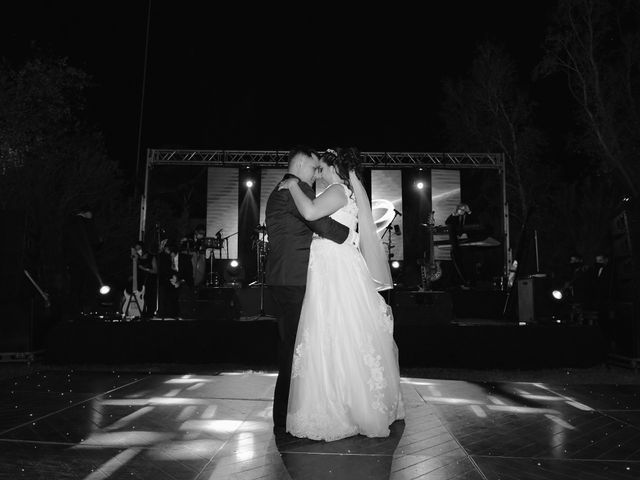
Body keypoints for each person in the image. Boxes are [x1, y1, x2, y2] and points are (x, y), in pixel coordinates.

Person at [278, 147, 404, 441]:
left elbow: (309, 212)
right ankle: (339, 399)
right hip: (331, 263)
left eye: (320, 168)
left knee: (337, 330)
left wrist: (293, 183)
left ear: (334, 169)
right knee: (335, 332)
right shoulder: (342, 191)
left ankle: (346, 406)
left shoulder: (337, 190)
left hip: (333, 267)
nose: (317, 173)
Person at [265, 146, 357, 434]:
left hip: (284, 279)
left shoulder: (282, 189)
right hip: (293, 281)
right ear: (302, 163)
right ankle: (284, 418)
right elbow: (322, 224)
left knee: (296, 349)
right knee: (294, 351)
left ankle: (293, 412)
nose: (317, 173)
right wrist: (349, 233)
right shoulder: (291, 190)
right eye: (315, 167)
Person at [62, 205, 103, 316]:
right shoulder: (86, 224)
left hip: (73, 260)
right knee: (89, 286)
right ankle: (88, 310)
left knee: (75, 287)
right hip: (86, 261)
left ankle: (73, 311)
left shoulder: (69, 224)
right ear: (86, 213)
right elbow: (95, 241)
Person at [445, 203, 473, 288]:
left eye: (464, 210)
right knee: (457, 261)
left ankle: (463, 281)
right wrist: (454, 214)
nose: (463, 211)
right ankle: (461, 281)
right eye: (461, 210)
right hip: (456, 244)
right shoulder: (453, 218)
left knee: (462, 262)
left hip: (464, 243)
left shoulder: (465, 216)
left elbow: (467, 223)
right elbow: (447, 222)